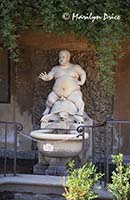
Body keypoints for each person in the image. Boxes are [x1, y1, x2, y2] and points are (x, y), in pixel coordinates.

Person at [39, 50, 86, 117]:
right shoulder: (55, 68)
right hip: (57, 93)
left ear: (68, 58)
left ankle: (80, 112)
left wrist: (82, 82)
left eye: (63, 57)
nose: (61, 59)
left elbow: (83, 73)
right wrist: (47, 77)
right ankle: (48, 109)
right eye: (60, 57)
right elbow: (50, 75)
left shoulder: (75, 67)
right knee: (50, 99)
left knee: (78, 100)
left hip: (73, 92)